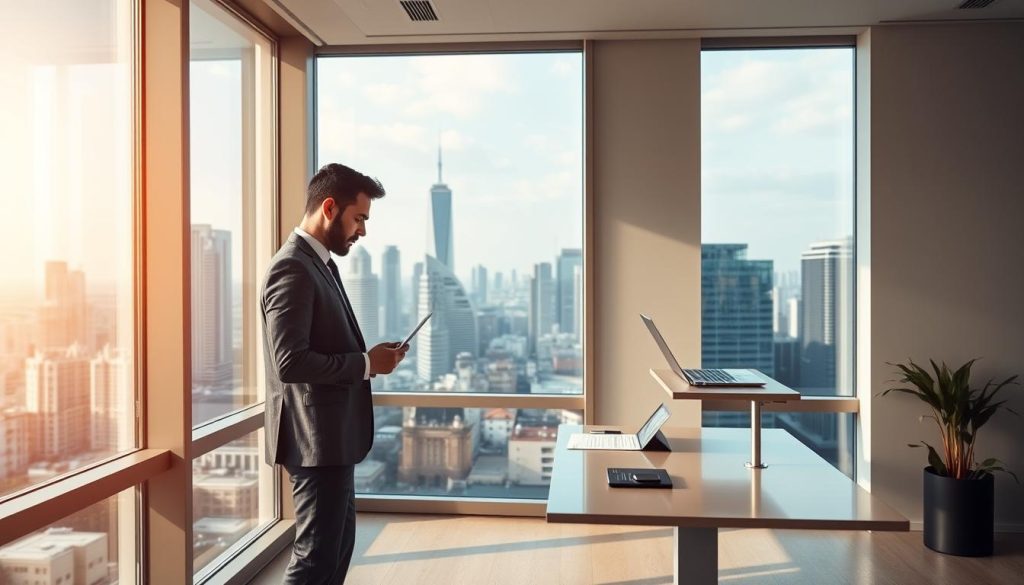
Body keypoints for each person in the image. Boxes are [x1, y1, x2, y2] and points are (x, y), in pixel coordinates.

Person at [261, 163, 407, 583]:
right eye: (358, 218)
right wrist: (365, 364)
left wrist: (374, 360)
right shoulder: (292, 267)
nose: (362, 231)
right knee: (314, 558)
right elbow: (289, 361)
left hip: (331, 439)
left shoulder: (320, 264)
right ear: (330, 207)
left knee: (337, 548)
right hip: (315, 440)